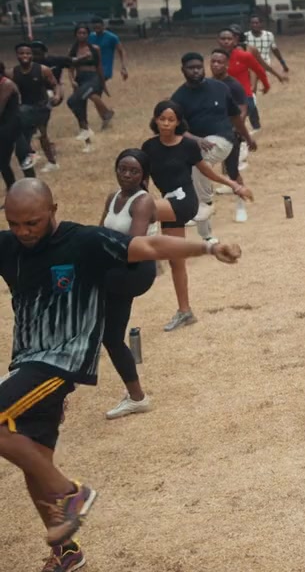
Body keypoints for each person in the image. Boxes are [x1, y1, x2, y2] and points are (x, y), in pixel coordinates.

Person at [0, 178, 242, 572]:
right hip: (26, 360)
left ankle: (70, 493)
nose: (24, 232)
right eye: (14, 224)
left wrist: (209, 247)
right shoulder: (8, 246)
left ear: (53, 210)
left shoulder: (84, 242)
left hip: (60, 361)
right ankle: (67, 551)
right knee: (35, 461)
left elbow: (150, 246)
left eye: (32, 223)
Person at [143, 100, 253, 332]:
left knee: (142, 210)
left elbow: (207, 171)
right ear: (155, 120)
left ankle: (148, 253)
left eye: (171, 119)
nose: (166, 123)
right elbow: (142, 179)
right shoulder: (149, 147)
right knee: (176, 260)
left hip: (184, 201)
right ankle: (185, 311)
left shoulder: (188, 146)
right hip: (166, 201)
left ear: (178, 122)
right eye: (162, 119)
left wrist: (234, 185)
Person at [97, 149, 159, 419]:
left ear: (143, 176)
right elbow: (100, 232)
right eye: (122, 169)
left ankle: (137, 397)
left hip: (134, 270)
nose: (126, 175)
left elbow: (131, 246)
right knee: (109, 335)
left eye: (134, 171)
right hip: (115, 267)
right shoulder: (113, 197)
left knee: (102, 331)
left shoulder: (143, 201)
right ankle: (137, 397)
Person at [170, 52, 253, 243]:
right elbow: (178, 129)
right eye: (191, 68)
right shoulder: (178, 98)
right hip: (198, 145)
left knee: (225, 170)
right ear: (183, 70)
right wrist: (196, 139)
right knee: (195, 169)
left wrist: (248, 137)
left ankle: (226, 205)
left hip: (223, 140)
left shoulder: (220, 88)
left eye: (199, 67)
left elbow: (235, 116)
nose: (196, 71)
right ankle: (206, 232)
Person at [208, 48, 256, 223]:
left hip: (230, 134)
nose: (216, 65)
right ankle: (203, 207)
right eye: (213, 61)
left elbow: (242, 109)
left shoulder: (234, 85)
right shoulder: (206, 84)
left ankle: (241, 206)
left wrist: (237, 129)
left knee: (233, 170)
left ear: (227, 64)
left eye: (220, 62)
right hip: (209, 134)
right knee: (201, 170)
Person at [217, 27, 281, 135]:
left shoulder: (244, 55)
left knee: (236, 123)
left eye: (229, 39)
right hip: (224, 97)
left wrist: (266, 85)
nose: (226, 41)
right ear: (218, 40)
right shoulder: (216, 59)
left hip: (244, 97)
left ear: (234, 41)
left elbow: (259, 70)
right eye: (223, 39)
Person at [12, 42, 62, 173]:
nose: (25, 56)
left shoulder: (42, 69)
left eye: (27, 53)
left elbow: (55, 84)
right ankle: (33, 155)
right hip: (25, 107)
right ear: (17, 55)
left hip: (42, 106)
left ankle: (51, 162)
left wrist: (57, 95)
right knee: (26, 134)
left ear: (32, 55)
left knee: (41, 134)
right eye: (21, 53)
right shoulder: (14, 72)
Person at [66, 24, 113, 145]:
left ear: (88, 35)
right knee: (76, 102)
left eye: (84, 33)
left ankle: (106, 113)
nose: (82, 35)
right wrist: (72, 80)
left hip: (93, 77)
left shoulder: (94, 48)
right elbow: (70, 68)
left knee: (89, 94)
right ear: (75, 34)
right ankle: (86, 126)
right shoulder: (72, 50)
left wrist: (103, 82)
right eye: (79, 33)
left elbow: (99, 66)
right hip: (80, 78)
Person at [0, 67, 36, 189]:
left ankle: (33, 187)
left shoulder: (6, 84)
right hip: (4, 127)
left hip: (15, 125)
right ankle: (12, 189)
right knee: (3, 161)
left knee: (23, 156)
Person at [245, 14, 289, 95]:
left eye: (256, 23)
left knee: (252, 85)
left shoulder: (269, 35)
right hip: (249, 65)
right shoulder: (245, 36)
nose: (254, 25)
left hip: (264, 64)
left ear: (261, 24)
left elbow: (275, 49)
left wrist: (283, 63)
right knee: (251, 85)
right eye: (252, 23)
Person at [88, 17, 128, 88]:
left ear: (103, 26)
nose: (97, 29)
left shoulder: (112, 37)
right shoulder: (90, 37)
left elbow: (121, 51)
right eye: (95, 28)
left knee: (92, 87)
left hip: (105, 70)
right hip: (92, 68)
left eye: (98, 27)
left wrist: (123, 67)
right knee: (94, 89)